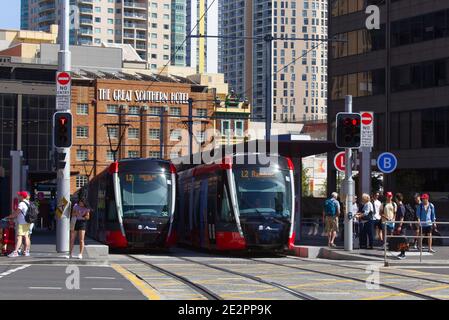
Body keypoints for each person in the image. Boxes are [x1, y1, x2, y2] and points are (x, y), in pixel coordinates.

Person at [6, 191, 32, 257]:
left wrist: (9, 217)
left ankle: (15, 252)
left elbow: (16, 213)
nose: (18, 196)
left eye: (19, 195)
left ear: (22, 196)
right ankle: (26, 252)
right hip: (28, 222)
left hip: (22, 223)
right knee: (26, 236)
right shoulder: (28, 203)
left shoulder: (22, 204)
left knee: (19, 237)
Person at [395, 193, 407, 259]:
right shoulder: (399, 206)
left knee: (402, 240)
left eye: (395, 198)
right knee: (400, 239)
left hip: (402, 227)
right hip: (400, 226)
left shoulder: (401, 206)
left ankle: (403, 254)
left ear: (397, 198)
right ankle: (401, 253)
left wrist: (400, 226)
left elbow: (402, 217)